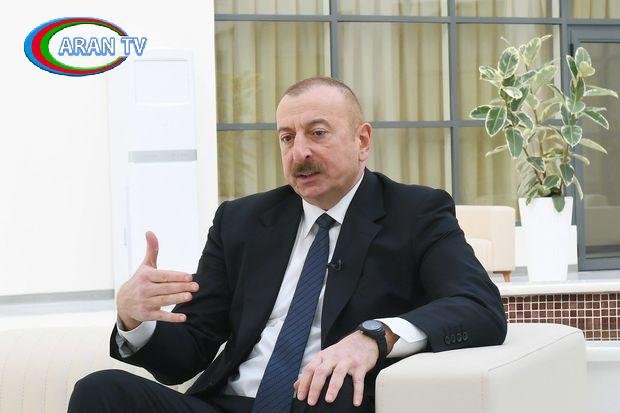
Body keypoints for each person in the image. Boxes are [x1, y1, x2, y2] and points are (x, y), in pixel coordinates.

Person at [69, 77, 507, 413]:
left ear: (362, 141)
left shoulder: (415, 212)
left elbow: (478, 306)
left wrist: (377, 336)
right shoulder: (241, 221)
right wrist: (134, 319)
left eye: (318, 133)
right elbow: (188, 354)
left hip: (323, 404)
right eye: (287, 137)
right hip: (230, 404)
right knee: (101, 392)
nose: (300, 153)